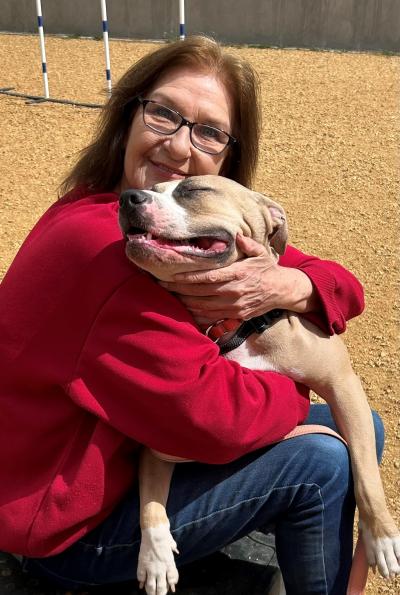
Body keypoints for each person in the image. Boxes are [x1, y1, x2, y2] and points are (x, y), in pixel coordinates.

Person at [0, 36, 384, 595]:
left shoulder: (156, 215)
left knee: (361, 428)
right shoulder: (110, 249)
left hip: (116, 472)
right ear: (128, 116)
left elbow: (344, 287)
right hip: (63, 529)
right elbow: (214, 421)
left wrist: (290, 282)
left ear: (226, 162)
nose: (180, 146)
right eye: (163, 113)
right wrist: (310, 380)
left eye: (208, 131)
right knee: (322, 461)